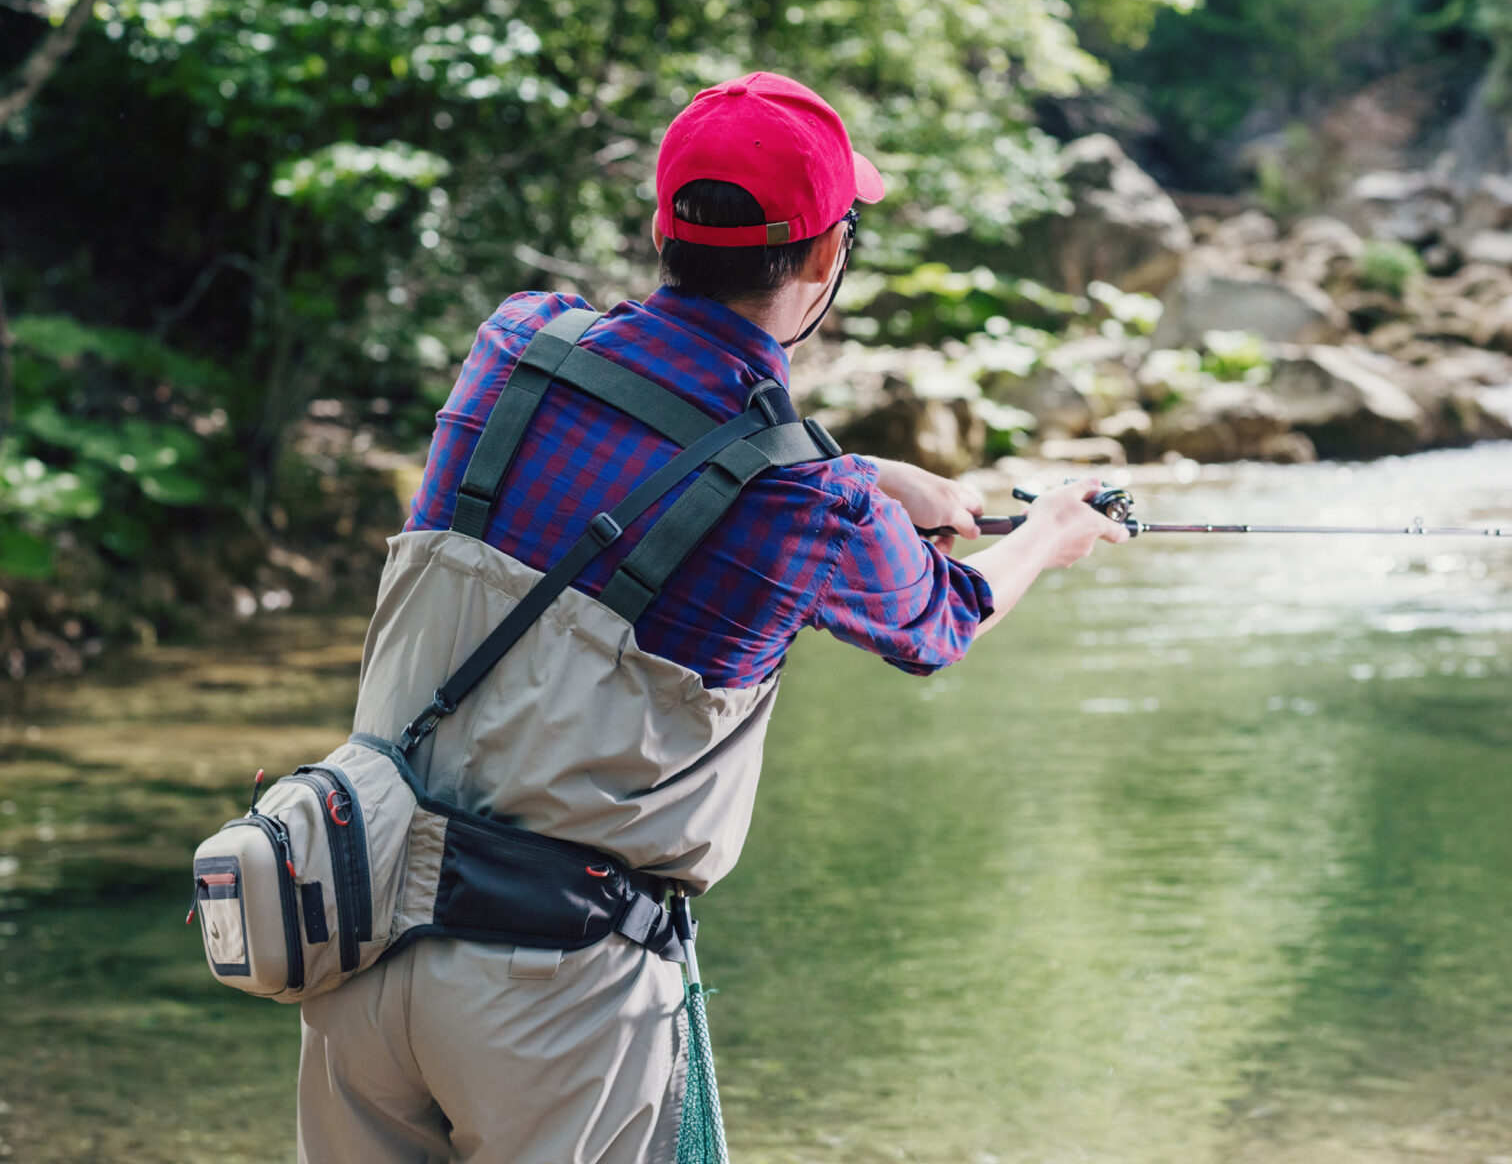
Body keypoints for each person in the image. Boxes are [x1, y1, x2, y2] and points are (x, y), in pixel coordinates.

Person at [295, 70, 1129, 1163]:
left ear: (661, 227)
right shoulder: (806, 504)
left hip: (353, 946)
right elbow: (942, 622)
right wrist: (1051, 531)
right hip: (553, 1001)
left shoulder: (517, 344)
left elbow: (658, 441)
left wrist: (874, 469)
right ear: (826, 258)